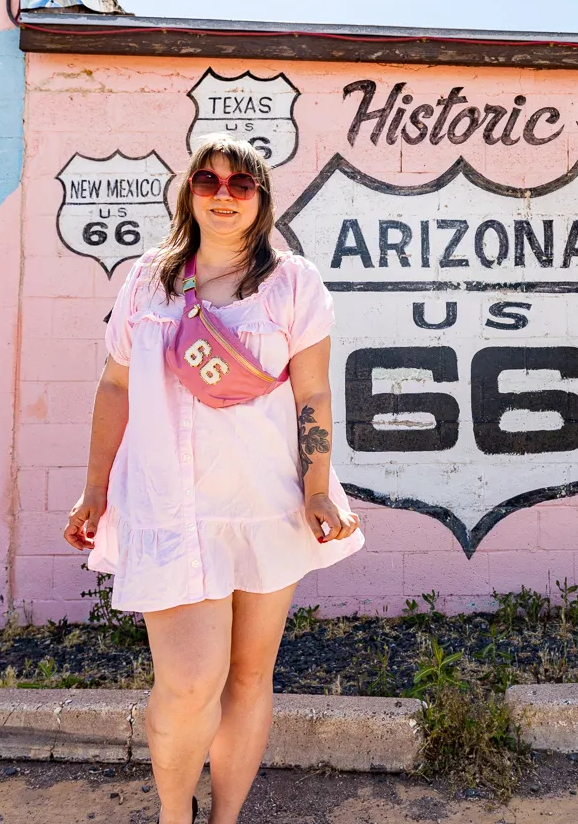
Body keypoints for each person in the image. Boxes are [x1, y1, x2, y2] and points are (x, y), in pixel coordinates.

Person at [63, 134, 364, 824]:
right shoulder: (148, 281)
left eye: (240, 183)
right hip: (169, 508)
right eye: (208, 180)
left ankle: (224, 817)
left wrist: (318, 486)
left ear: (260, 199)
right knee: (190, 681)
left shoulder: (294, 284)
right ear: (188, 193)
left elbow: (313, 394)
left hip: (264, 505)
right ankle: (176, 814)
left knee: (250, 677)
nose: (223, 194)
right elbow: (114, 387)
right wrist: (95, 487)